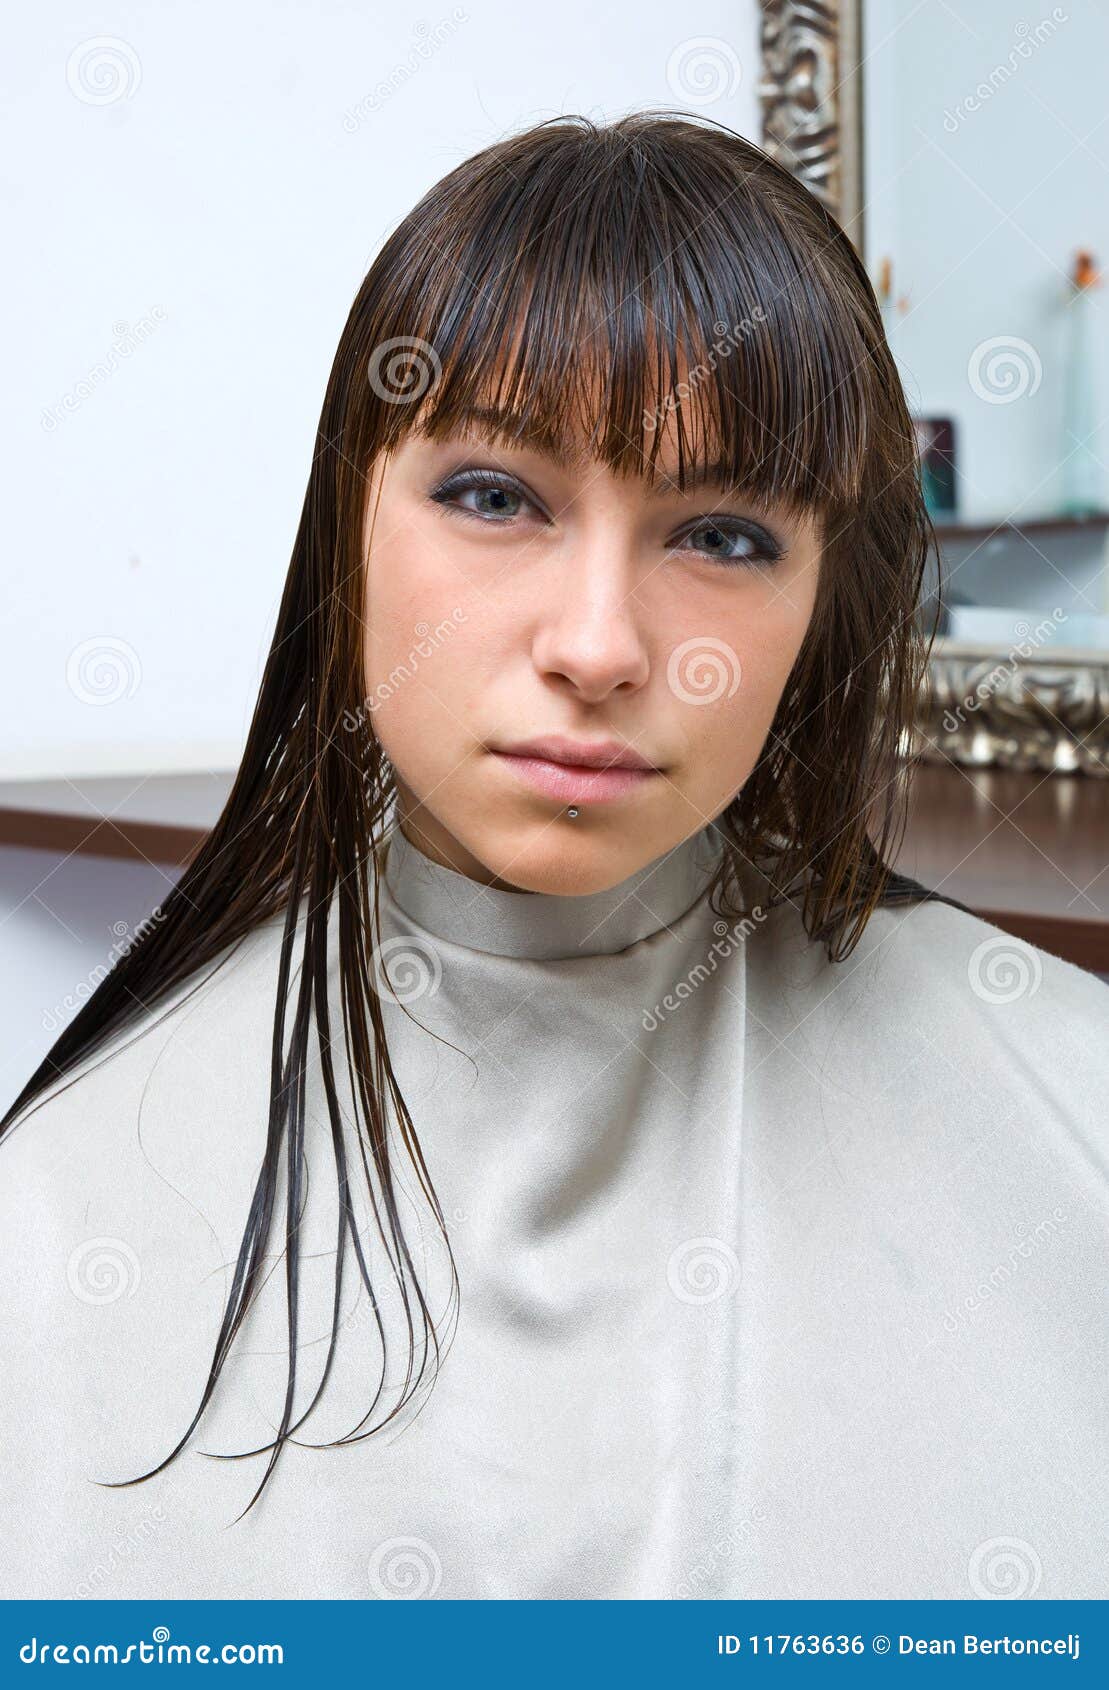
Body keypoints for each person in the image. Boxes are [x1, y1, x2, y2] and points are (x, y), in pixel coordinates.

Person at [2, 110, 1106, 1603]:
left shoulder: (1067, 1104)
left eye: (719, 533)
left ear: (821, 595)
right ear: (350, 525)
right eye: (492, 497)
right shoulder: (64, 1206)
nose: (597, 647)